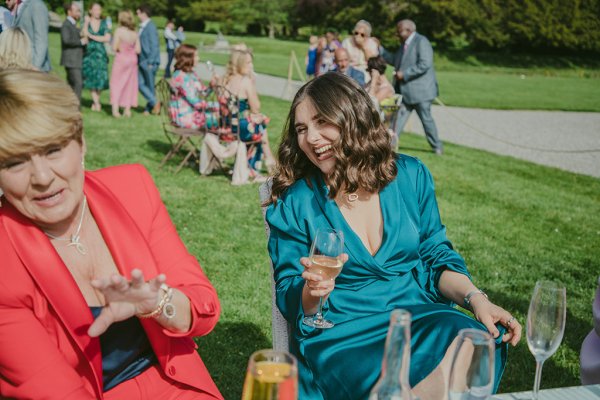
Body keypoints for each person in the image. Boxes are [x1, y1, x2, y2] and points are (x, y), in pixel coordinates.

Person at [265, 73, 521, 400]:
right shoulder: (297, 202)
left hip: (417, 315)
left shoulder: (411, 176)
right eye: (302, 129)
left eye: (322, 122)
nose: (312, 139)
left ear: (353, 119)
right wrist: (312, 291)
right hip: (343, 332)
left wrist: (477, 299)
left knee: (472, 339)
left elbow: (435, 256)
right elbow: (288, 290)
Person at [0, 69, 223, 399]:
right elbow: (53, 390)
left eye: (52, 150)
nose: (43, 177)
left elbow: (204, 310)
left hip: (178, 386)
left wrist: (157, 303)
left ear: (81, 144)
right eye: (15, 163)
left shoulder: (132, 189)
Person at [380, 19, 443, 155]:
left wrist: (405, 74)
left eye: (399, 31)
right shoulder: (403, 45)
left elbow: (425, 63)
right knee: (397, 122)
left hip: (421, 92)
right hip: (405, 93)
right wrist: (380, 50)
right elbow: (394, 60)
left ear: (408, 30)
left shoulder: (421, 41)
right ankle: (387, 147)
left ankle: (437, 147)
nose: (397, 33)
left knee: (426, 120)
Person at [222, 46, 276, 177]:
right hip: (240, 129)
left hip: (227, 126)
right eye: (248, 63)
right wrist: (252, 82)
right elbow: (256, 107)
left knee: (259, 122)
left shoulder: (226, 79)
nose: (251, 66)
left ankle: (265, 160)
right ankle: (260, 163)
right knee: (260, 125)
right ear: (240, 63)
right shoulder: (245, 81)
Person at [109, 10, 140, 118]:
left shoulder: (119, 31)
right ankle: (127, 110)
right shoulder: (134, 33)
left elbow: (114, 47)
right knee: (129, 84)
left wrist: (120, 47)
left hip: (121, 59)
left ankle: (115, 110)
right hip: (132, 60)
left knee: (116, 84)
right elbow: (138, 50)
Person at [82, 3, 110, 112]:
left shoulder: (104, 23)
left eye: (99, 9)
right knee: (91, 78)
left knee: (101, 78)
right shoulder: (87, 23)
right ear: (90, 11)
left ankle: (96, 101)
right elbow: (84, 35)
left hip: (100, 54)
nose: (98, 11)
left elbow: (107, 38)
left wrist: (92, 36)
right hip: (89, 53)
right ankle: (96, 102)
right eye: (95, 9)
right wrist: (86, 23)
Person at [60, 2, 87, 103]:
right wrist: (81, 41)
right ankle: (75, 107)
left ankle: (70, 106)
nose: (79, 13)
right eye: (77, 11)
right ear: (69, 12)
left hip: (75, 59)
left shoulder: (74, 24)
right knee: (78, 84)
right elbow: (66, 40)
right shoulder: (66, 24)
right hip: (71, 59)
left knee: (72, 85)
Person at [12, 0, 50, 71]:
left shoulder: (37, 5)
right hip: (21, 64)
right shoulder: (19, 4)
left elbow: (41, 39)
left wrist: (36, 66)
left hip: (33, 67)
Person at [136, 4, 160, 115]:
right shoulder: (143, 26)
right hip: (142, 60)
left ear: (144, 13)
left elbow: (154, 45)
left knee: (150, 86)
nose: (137, 15)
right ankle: (154, 103)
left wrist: (151, 62)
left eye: (138, 13)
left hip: (149, 62)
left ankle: (150, 108)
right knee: (139, 83)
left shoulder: (150, 26)